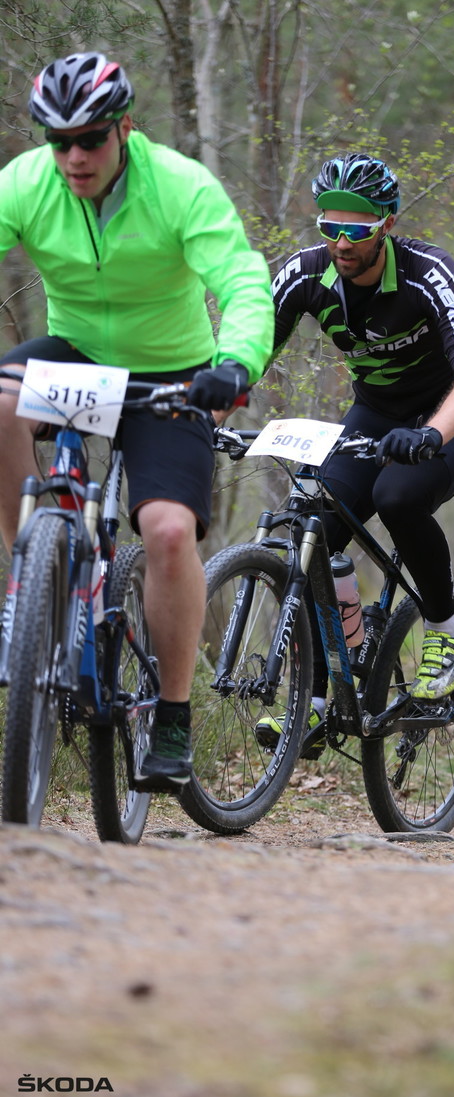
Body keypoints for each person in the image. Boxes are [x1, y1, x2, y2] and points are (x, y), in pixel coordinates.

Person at [0, 52, 274, 789]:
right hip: (79, 357)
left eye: (90, 138)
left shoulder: (181, 187)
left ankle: (174, 718)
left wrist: (235, 361)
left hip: (172, 374)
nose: (74, 157)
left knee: (168, 531)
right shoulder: (28, 183)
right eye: (58, 142)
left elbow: (243, 278)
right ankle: (32, 580)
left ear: (124, 127)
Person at [258, 151, 454, 745]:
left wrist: (433, 434)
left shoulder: (427, 272)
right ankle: (321, 690)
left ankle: (443, 631)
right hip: (377, 413)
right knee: (313, 523)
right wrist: (206, 404)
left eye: (356, 230)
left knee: (397, 495)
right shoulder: (307, 274)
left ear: (386, 224)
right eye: (329, 227)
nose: (341, 241)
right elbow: (249, 345)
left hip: (453, 413)